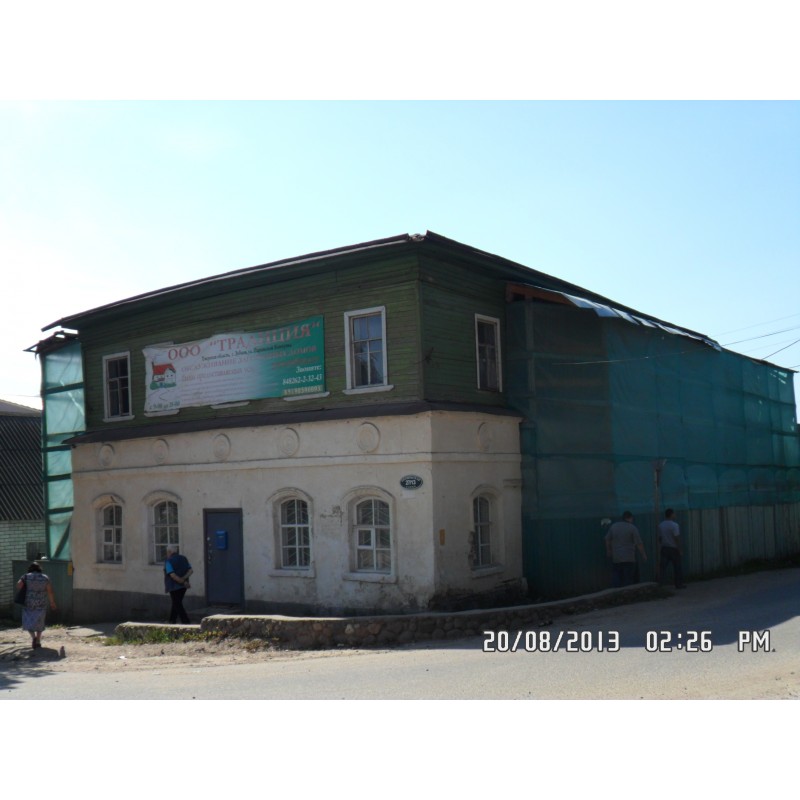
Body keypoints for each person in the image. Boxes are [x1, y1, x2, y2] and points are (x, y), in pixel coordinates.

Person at [16, 562, 57, 649]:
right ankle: (38, 640)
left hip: (28, 602)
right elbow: (50, 591)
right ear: (39, 569)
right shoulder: (45, 578)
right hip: (41, 603)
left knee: (28, 620)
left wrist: (28, 588)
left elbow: (19, 585)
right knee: (39, 621)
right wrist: (52, 602)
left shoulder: (26, 576)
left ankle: (33, 637)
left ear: (30, 569)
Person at [605, 511, 647, 587]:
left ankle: (616, 591)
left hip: (616, 557)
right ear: (630, 518)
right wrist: (643, 555)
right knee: (628, 578)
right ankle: (627, 592)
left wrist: (609, 550)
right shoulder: (632, 528)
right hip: (629, 557)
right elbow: (639, 544)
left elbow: (607, 539)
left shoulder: (614, 526)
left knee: (617, 576)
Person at [164, 545, 193, 624]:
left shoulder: (168, 561)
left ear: (169, 552)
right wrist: (184, 579)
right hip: (183, 587)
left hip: (173, 586)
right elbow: (190, 571)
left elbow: (172, 575)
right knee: (176, 602)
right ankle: (172, 620)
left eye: (167, 552)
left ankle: (186, 621)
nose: (167, 554)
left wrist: (182, 581)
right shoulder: (184, 558)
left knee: (177, 604)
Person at [658, 508, 686, 588]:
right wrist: (680, 549)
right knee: (677, 567)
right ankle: (678, 584)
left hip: (664, 548)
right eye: (674, 514)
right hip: (673, 549)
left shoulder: (661, 525)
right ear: (671, 515)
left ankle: (659, 584)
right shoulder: (675, 525)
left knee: (662, 567)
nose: (675, 515)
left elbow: (660, 538)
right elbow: (676, 538)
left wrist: (661, 545)